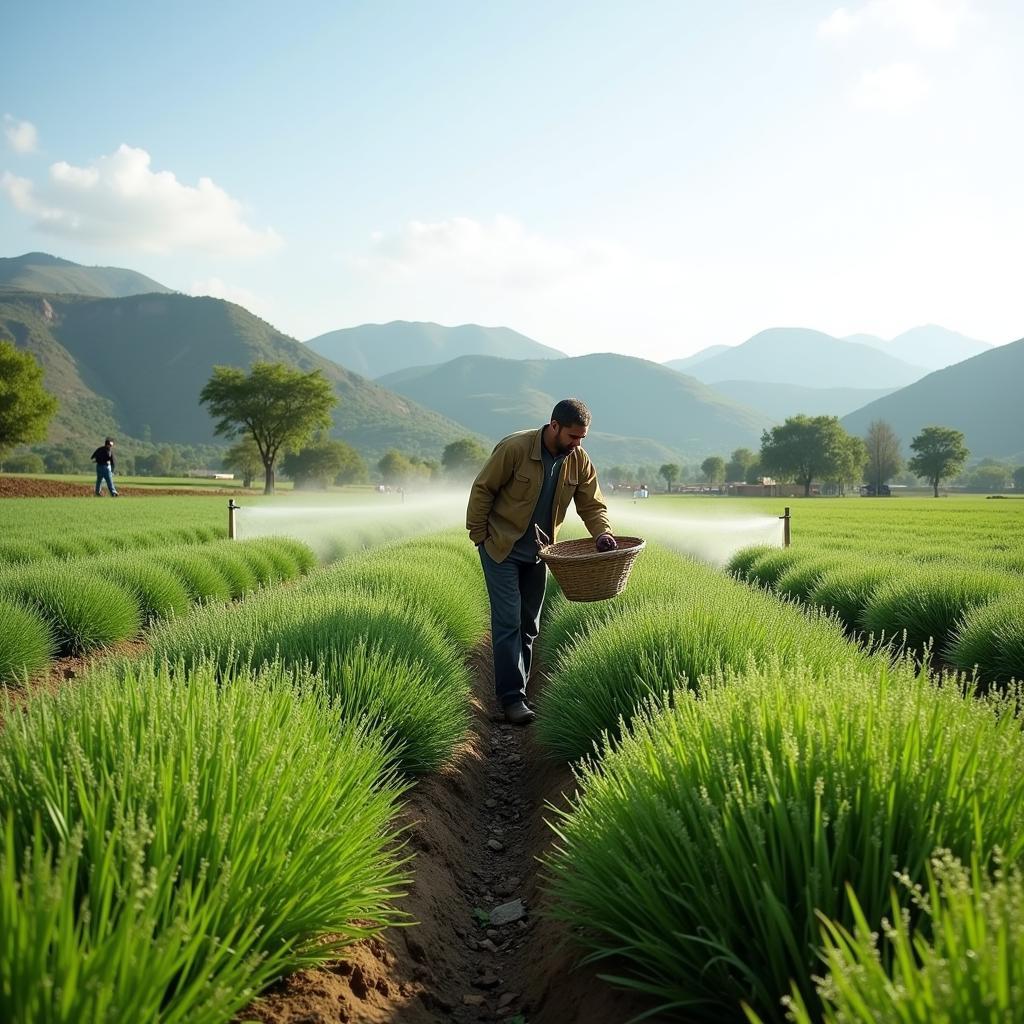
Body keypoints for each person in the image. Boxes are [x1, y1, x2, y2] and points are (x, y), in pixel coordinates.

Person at [466, 398, 616, 725]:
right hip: (501, 547)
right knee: (508, 621)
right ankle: (511, 699)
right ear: (554, 426)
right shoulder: (515, 448)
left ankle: (517, 691)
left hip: (540, 553)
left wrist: (602, 534)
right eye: (572, 437)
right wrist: (479, 534)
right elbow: (483, 489)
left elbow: (592, 505)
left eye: (582, 439)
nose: (577, 444)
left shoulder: (578, 460)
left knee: (529, 625)